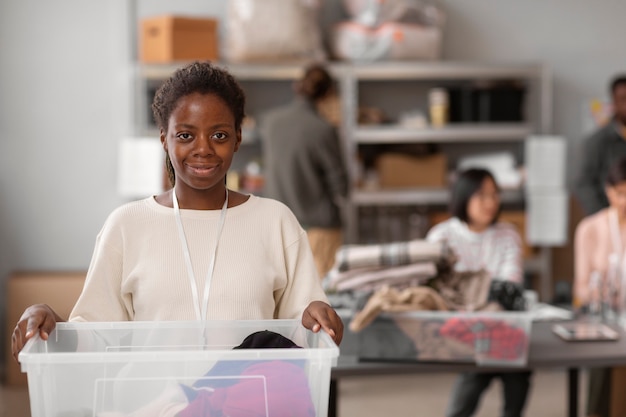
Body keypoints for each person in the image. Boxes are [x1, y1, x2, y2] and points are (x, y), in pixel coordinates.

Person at [11, 61, 343, 361]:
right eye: (185, 135)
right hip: (149, 407)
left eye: (219, 135)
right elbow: (94, 339)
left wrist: (319, 317)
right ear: (164, 139)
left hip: (249, 403)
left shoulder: (276, 222)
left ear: (238, 138)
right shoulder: (126, 225)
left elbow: (304, 333)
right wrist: (50, 322)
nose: (203, 149)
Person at [426, 168, 531, 417]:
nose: (491, 203)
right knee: (473, 384)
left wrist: (471, 294)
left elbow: (510, 284)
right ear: (463, 197)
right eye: (482, 196)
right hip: (463, 334)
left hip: (502, 330)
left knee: (513, 369)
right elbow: (438, 291)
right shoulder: (442, 236)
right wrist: (486, 293)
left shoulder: (508, 234)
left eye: (495, 195)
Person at [259, 63, 348, 280]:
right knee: (321, 297)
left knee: (285, 297)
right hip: (319, 230)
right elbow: (341, 185)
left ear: (297, 87)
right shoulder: (323, 129)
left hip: (279, 228)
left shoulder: (270, 122)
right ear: (328, 94)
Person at [574, 156, 626, 417]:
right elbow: (581, 289)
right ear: (608, 191)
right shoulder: (590, 229)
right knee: (603, 351)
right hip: (605, 317)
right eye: (620, 194)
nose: (625, 202)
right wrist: (602, 295)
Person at [574, 74, 626, 215]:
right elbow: (584, 184)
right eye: (623, 99)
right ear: (614, 103)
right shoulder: (598, 142)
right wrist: (603, 218)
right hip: (611, 217)